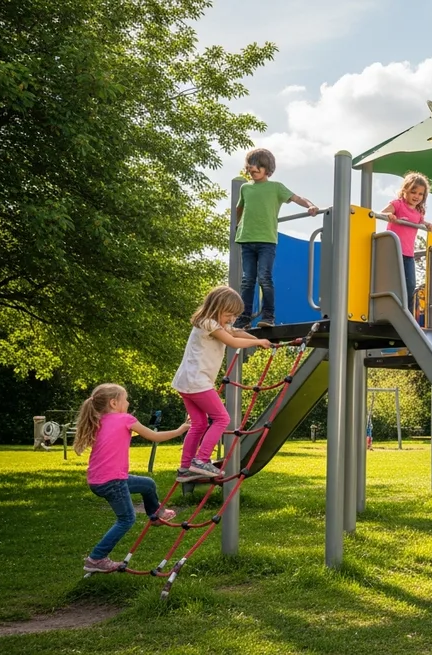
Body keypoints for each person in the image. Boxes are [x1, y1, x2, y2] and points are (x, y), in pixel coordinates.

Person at [74, 383, 189, 573]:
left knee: (147, 484)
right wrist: (180, 430)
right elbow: (154, 436)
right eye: (125, 399)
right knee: (127, 519)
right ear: (113, 403)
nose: (128, 402)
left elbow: (117, 437)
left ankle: (156, 515)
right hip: (113, 481)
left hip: (99, 480)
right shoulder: (125, 419)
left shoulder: (100, 421)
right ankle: (96, 559)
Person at [173, 285, 271, 482]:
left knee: (199, 424)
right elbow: (233, 342)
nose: (231, 319)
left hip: (187, 382)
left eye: (234, 316)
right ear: (216, 307)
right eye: (229, 314)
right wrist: (257, 343)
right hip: (197, 382)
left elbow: (236, 333)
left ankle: (185, 467)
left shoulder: (213, 324)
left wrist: (259, 340)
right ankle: (201, 460)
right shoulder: (208, 323)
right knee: (222, 419)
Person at [234, 148, 319, 329]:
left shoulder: (276, 187)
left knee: (264, 277)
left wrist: (310, 205)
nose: (253, 169)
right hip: (246, 239)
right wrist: (238, 224)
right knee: (247, 280)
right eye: (251, 167)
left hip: (266, 240)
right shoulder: (245, 188)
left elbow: (297, 198)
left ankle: (268, 316)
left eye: (258, 167)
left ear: (267, 169)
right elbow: (239, 208)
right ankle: (244, 317)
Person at [380, 171, 432, 313]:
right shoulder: (398, 204)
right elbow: (382, 213)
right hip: (393, 251)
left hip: (408, 254)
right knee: (393, 283)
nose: (416, 196)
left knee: (410, 285)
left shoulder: (418, 212)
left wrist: (427, 225)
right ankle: (391, 311)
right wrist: (390, 215)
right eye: (413, 192)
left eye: (420, 194)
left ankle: (408, 314)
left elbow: (422, 222)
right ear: (405, 190)